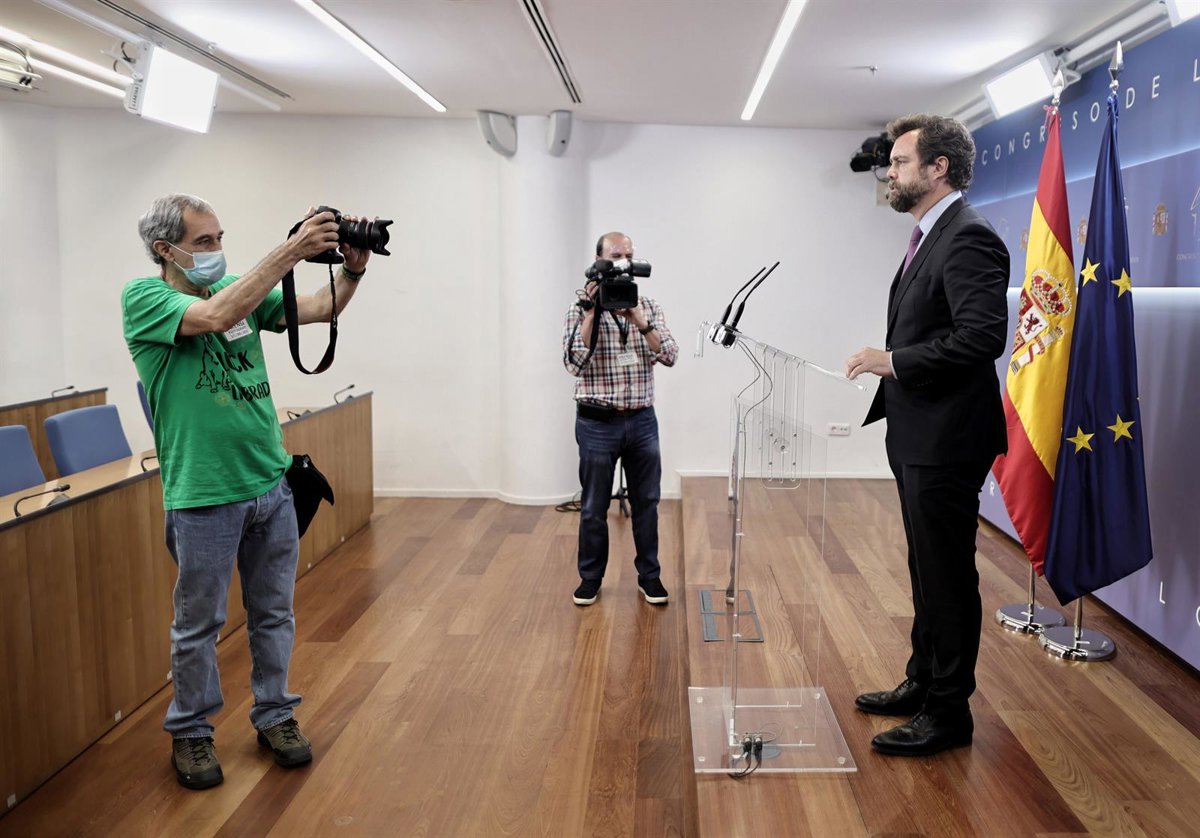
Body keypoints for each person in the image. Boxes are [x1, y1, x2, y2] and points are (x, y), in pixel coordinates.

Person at [122, 194, 372, 789]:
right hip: (204, 494)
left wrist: (353, 269)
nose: (217, 250)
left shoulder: (238, 289)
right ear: (166, 249)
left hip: (270, 484)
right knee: (199, 624)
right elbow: (212, 317)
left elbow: (318, 307)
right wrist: (293, 249)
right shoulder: (145, 298)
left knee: (274, 613)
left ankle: (276, 715)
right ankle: (191, 731)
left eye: (219, 238)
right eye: (204, 241)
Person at [845, 114, 1009, 757]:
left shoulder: (968, 236)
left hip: (948, 438)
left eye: (900, 161)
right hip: (920, 431)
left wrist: (893, 361)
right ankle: (922, 680)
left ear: (938, 168)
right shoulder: (932, 234)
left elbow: (981, 337)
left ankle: (948, 712)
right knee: (925, 566)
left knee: (946, 575)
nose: (889, 172)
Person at [562, 232, 678, 607]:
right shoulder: (580, 308)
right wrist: (592, 313)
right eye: (615, 256)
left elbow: (670, 355)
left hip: (642, 420)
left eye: (628, 255)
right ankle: (590, 579)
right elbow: (574, 363)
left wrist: (641, 321)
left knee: (647, 503)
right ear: (599, 261)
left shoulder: (649, 306)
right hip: (597, 423)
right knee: (594, 508)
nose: (623, 262)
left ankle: (650, 577)